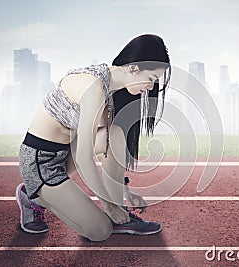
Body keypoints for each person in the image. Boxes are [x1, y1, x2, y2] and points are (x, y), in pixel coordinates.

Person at [15, 34, 171, 242]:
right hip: (41, 162)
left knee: (116, 134)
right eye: (151, 78)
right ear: (134, 68)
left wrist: (122, 195)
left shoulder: (114, 88)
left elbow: (106, 144)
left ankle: (119, 217)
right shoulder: (94, 87)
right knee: (99, 231)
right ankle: (33, 196)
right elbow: (83, 157)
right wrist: (109, 206)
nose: (151, 87)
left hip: (64, 152)